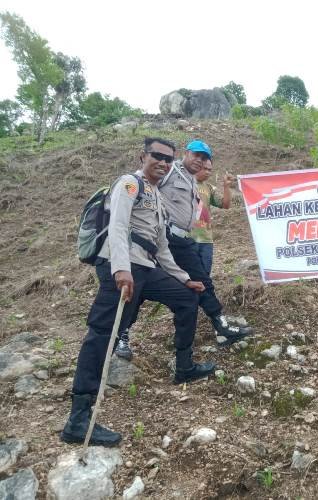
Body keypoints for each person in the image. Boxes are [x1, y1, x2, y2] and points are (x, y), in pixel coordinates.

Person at [61, 137, 216, 446]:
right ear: (143, 156)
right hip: (121, 264)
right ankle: (78, 418)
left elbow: (161, 248)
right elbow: (118, 225)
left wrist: (184, 278)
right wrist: (120, 269)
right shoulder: (129, 184)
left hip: (146, 266)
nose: (162, 162)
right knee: (103, 333)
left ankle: (184, 366)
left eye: (168, 159)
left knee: (187, 298)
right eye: (157, 156)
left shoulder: (157, 197)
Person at [159, 139, 251, 346]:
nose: (202, 164)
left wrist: (227, 186)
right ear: (186, 153)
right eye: (197, 156)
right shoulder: (169, 170)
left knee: (201, 282)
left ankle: (214, 327)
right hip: (164, 239)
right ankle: (124, 337)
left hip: (189, 240)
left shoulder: (197, 184)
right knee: (148, 287)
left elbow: (225, 204)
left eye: (206, 161)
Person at [191, 158, 233, 275]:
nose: (208, 172)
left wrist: (226, 187)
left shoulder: (209, 187)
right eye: (205, 169)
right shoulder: (184, 183)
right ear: (196, 166)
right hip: (187, 238)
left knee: (204, 276)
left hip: (205, 239)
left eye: (210, 170)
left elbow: (225, 204)